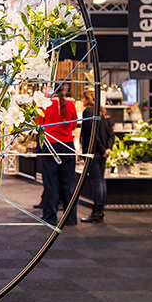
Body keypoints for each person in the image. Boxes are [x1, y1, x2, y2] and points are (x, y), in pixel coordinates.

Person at [37, 88, 78, 226]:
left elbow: (39, 125)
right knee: (69, 184)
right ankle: (70, 218)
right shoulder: (70, 104)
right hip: (67, 145)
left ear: (49, 91)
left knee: (51, 183)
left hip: (50, 146)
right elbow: (73, 125)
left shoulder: (44, 105)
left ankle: (50, 217)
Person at [79, 90, 115, 223]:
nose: (82, 101)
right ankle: (100, 211)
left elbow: (93, 135)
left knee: (97, 182)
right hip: (103, 152)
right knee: (101, 181)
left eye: (83, 99)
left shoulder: (88, 112)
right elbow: (111, 134)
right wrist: (108, 148)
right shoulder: (103, 112)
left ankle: (97, 212)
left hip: (93, 152)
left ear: (88, 99)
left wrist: (102, 149)